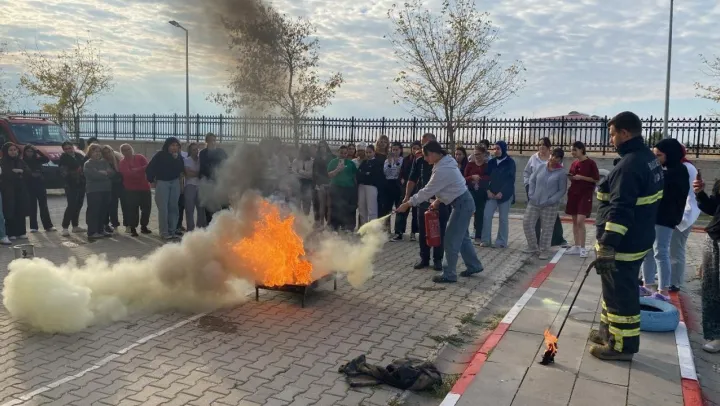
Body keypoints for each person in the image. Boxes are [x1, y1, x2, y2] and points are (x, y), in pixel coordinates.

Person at [590, 111, 663, 362]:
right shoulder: (648, 159)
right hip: (639, 236)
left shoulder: (630, 165)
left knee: (621, 295)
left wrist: (608, 244)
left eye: (612, 135)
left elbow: (621, 210)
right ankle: (608, 333)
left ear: (625, 133)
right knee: (613, 290)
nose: (611, 140)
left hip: (624, 244)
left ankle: (621, 346)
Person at [396, 141, 483, 283]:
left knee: (450, 239)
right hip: (463, 202)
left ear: (432, 153)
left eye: (426, 156)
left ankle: (449, 274)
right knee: (463, 238)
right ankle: (474, 265)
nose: (425, 159)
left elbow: (427, 191)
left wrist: (408, 203)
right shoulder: (445, 162)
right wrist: (438, 200)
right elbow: (448, 186)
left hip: (462, 204)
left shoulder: (443, 169)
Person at [640, 139, 689, 301]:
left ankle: (663, 291)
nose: (656, 159)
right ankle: (647, 285)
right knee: (647, 251)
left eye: (659, 155)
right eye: (654, 155)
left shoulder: (679, 171)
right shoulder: (663, 170)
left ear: (670, 154)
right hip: (652, 215)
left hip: (666, 218)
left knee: (660, 252)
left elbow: (666, 190)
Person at [404, 133, 448, 271]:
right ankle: (424, 258)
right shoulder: (419, 159)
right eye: (423, 144)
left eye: (426, 144)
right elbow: (412, 179)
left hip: (441, 200)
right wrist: (407, 196)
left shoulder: (444, 160)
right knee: (423, 231)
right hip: (423, 200)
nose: (423, 147)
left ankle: (438, 260)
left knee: (439, 231)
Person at [523, 148, 568, 259]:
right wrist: (531, 194)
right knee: (527, 223)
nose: (554, 159)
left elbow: (562, 190)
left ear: (560, 159)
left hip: (550, 205)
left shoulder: (561, 173)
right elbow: (532, 180)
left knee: (547, 229)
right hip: (534, 202)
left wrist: (551, 200)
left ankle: (544, 250)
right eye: (553, 155)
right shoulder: (541, 167)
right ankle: (533, 247)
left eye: (557, 157)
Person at [693, 175, 720, 353]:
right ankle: (715, 334)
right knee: (711, 289)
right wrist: (700, 194)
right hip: (714, 239)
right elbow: (714, 208)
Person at [669, 144, 700, 291]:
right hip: (677, 214)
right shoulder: (679, 166)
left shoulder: (687, 168)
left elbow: (689, 197)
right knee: (668, 249)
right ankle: (669, 277)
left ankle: (675, 282)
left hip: (684, 215)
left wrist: (681, 218)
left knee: (676, 249)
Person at [565, 141, 600, 258]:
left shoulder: (591, 163)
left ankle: (583, 248)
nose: (572, 152)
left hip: (585, 195)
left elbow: (596, 179)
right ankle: (577, 246)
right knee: (575, 221)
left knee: (580, 221)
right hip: (574, 194)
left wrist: (582, 177)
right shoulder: (574, 163)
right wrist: (571, 177)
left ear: (581, 149)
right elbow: (572, 177)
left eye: (574, 150)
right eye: (571, 150)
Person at [146, 137, 185, 240]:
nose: (174, 147)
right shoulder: (160, 155)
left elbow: (181, 170)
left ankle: (172, 231)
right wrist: (151, 180)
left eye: (176, 145)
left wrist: (175, 159)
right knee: (163, 208)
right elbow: (150, 168)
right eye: (172, 145)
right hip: (163, 183)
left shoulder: (178, 157)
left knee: (174, 208)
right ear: (167, 146)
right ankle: (164, 232)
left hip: (175, 183)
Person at [480, 141, 515, 248]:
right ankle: (486, 240)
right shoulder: (491, 162)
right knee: (486, 216)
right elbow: (485, 178)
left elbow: (510, 180)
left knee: (503, 219)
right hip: (491, 194)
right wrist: (487, 191)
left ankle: (501, 242)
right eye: (494, 149)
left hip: (505, 195)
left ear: (503, 149)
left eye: (498, 149)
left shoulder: (510, 162)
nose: (496, 151)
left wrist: (502, 192)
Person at [119, 144, 152, 236]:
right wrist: (140, 170)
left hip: (144, 187)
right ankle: (133, 228)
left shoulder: (140, 157)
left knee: (146, 208)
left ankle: (144, 226)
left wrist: (136, 170)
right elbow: (127, 174)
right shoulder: (122, 162)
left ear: (132, 149)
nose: (127, 151)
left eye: (128, 149)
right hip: (131, 189)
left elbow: (148, 166)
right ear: (122, 152)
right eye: (124, 150)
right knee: (132, 209)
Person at [22, 144, 55, 232]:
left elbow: (46, 159)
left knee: (43, 206)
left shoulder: (37, 159)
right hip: (29, 185)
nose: (29, 153)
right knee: (32, 206)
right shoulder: (23, 161)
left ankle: (48, 226)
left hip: (40, 184)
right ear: (25, 152)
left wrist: (37, 151)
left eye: (31, 151)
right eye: (28, 151)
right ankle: (33, 227)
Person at [0, 142, 30, 239]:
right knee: (10, 210)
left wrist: (20, 171)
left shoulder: (20, 161)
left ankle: (21, 231)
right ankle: (10, 233)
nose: (13, 152)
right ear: (6, 151)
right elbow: (5, 174)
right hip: (8, 190)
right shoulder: (3, 161)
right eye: (11, 150)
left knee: (20, 209)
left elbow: (28, 172)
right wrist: (16, 173)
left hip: (20, 189)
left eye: (14, 150)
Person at [83, 144, 113, 241]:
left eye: (99, 151)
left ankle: (101, 229)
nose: (97, 153)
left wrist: (100, 172)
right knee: (94, 211)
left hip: (106, 189)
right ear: (90, 153)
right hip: (94, 190)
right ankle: (92, 232)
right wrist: (103, 173)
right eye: (95, 151)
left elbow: (111, 173)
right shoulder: (88, 164)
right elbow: (93, 176)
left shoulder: (104, 162)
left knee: (103, 211)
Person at [198, 132, 228, 224]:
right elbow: (203, 167)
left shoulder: (221, 152)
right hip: (208, 183)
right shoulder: (203, 153)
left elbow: (227, 163)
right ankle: (210, 226)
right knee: (209, 207)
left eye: (214, 140)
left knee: (224, 205)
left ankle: (226, 225)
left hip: (221, 182)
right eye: (211, 140)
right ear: (206, 141)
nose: (213, 142)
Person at [58, 141, 86, 236]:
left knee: (79, 205)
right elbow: (63, 173)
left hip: (81, 183)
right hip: (70, 185)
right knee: (71, 205)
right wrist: (75, 172)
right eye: (66, 149)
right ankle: (65, 227)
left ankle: (75, 226)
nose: (68, 150)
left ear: (73, 148)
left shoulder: (79, 156)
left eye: (69, 148)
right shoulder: (63, 159)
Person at [327, 145, 358, 231]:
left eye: (345, 153)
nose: (343, 155)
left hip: (348, 189)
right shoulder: (333, 162)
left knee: (348, 208)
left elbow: (355, 177)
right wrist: (337, 169)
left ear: (347, 153)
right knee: (336, 208)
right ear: (338, 152)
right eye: (341, 153)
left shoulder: (351, 163)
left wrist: (355, 191)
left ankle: (347, 228)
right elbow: (329, 175)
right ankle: (334, 227)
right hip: (336, 188)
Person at [395, 141, 421, 242]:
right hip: (406, 188)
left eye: (417, 148)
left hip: (418, 188)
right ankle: (399, 232)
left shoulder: (422, 160)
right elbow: (402, 172)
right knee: (402, 209)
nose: (415, 150)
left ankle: (414, 233)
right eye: (414, 148)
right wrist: (401, 180)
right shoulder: (406, 160)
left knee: (416, 212)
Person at [464, 145, 490, 242]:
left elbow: (489, 177)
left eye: (479, 154)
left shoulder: (487, 166)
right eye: (475, 154)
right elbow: (463, 178)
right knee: (467, 212)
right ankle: (464, 234)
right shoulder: (470, 165)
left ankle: (478, 235)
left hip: (481, 192)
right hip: (470, 192)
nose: (477, 156)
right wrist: (472, 177)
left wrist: (480, 178)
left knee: (479, 213)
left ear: (484, 154)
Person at [357, 145, 384, 226]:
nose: (368, 154)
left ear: (374, 152)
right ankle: (363, 228)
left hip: (371, 187)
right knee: (362, 208)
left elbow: (374, 175)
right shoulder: (364, 162)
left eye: (370, 152)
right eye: (366, 152)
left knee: (372, 209)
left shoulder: (378, 162)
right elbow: (358, 174)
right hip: (361, 186)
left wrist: (365, 174)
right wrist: (366, 173)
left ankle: (372, 229)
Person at [382, 142, 404, 238]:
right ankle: (387, 229)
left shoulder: (402, 160)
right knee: (387, 208)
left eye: (396, 150)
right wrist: (390, 162)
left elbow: (400, 171)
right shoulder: (387, 160)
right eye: (393, 150)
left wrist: (396, 162)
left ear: (400, 150)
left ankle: (398, 231)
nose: (394, 152)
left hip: (397, 184)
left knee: (399, 207)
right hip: (389, 184)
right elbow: (386, 172)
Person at [183, 143, 206, 231]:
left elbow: (203, 172)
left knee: (201, 209)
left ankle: (200, 229)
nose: (196, 151)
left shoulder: (201, 160)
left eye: (197, 149)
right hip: (190, 186)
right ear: (190, 151)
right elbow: (188, 174)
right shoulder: (187, 160)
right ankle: (190, 229)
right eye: (193, 150)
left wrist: (194, 172)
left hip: (200, 186)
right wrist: (199, 173)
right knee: (189, 209)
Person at [101, 145, 124, 233]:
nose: (107, 154)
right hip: (108, 187)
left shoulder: (119, 159)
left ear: (112, 151)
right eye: (105, 153)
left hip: (119, 186)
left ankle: (118, 225)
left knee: (119, 206)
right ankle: (110, 225)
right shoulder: (103, 162)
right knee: (110, 206)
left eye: (109, 152)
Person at [312, 141, 332, 227]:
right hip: (320, 184)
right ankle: (321, 224)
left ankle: (329, 224)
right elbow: (315, 172)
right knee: (321, 205)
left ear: (326, 147)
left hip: (330, 183)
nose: (322, 148)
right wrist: (317, 183)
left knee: (329, 206)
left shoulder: (331, 157)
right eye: (320, 147)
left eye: (323, 146)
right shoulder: (317, 159)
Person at [292, 144, 314, 216]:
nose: (304, 153)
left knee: (307, 202)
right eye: (303, 151)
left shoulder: (312, 161)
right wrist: (305, 174)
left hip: (308, 183)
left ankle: (306, 218)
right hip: (298, 183)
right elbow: (295, 173)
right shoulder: (295, 161)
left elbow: (311, 174)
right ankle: (298, 218)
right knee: (297, 202)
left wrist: (300, 171)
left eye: (306, 151)